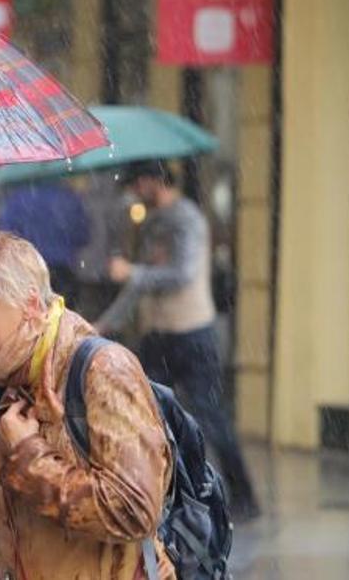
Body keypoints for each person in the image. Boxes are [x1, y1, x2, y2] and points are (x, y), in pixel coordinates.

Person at [0, 227, 174, 580]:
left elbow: (134, 511)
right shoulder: (12, 376)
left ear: (30, 304)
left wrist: (30, 457)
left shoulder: (103, 370)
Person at [94, 159, 259, 521]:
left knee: (211, 417)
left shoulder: (188, 219)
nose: (135, 193)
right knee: (149, 414)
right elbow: (139, 286)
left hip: (193, 334)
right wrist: (105, 324)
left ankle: (244, 495)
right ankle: (164, 495)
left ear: (154, 180)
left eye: (138, 185)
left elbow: (181, 273)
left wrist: (132, 271)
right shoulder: (151, 222)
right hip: (158, 337)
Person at [0, 179, 91, 306]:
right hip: (63, 272)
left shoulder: (17, 200)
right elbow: (83, 235)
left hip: (27, 273)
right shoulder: (68, 198)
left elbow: (5, 237)